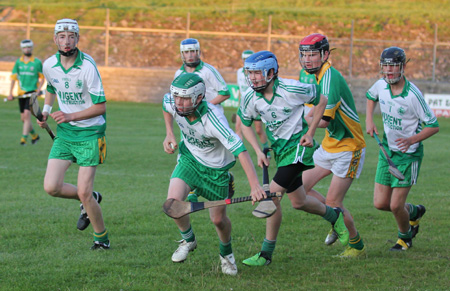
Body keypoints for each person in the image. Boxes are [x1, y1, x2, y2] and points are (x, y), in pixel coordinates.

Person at [238, 50, 349, 266]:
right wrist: (259, 151)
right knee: (299, 202)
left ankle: (265, 254)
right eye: (249, 73)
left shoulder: (292, 88)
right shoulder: (251, 98)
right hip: (280, 152)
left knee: (272, 198)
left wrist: (311, 132)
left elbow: (322, 99)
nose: (252, 78)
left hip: (299, 148)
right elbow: (245, 124)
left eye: (257, 73)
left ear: (271, 72)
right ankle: (334, 216)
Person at [162, 73, 266, 275]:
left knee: (218, 220)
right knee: (173, 203)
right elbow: (166, 106)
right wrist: (169, 132)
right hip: (189, 160)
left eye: (185, 99)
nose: (179, 103)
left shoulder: (213, 119)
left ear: (199, 97)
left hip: (216, 171)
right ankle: (189, 239)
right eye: (177, 97)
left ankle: (226, 255)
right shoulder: (173, 102)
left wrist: (255, 186)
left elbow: (241, 150)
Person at [37, 19, 109, 250]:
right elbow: (51, 87)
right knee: (52, 187)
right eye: (62, 36)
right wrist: (46, 112)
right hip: (65, 135)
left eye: (71, 36)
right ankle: (91, 199)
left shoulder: (88, 66)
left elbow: (101, 107)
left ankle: (102, 239)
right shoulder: (49, 64)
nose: (66, 41)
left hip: (90, 133)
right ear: (55, 39)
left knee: (83, 192)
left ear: (77, 39)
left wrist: (70, 116)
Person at [298, 33, 367, 258]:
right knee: (299, 189)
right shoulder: (313, 76)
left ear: (325, 54)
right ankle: (334, 218)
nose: (307, 60)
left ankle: (356, 244)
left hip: (349, 146)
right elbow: (310, 110)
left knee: (334, 201)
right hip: (330, 145)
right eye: (304, 55)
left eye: (313, 54)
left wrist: (304, 118)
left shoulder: (329, 78)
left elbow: (323, 120)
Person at [366, 46, 439, 251]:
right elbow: (371, 98)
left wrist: (410, 139)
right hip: (387, 151)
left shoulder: (413, 95)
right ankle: (414, 212)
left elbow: (434, 126)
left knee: (395, 205)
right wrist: (370, 120)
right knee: (381, 203)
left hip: (409, 155)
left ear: (403, 67)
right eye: (385, 67)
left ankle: (405, 238)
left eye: (393, 67)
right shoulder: (381, 85)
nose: (389, 72)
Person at [174, 38, 233, 203]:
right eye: (186, 52)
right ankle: (192, 190)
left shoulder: (208, 71)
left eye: (193, 51)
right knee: (187, 154)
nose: (190, 55)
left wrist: (201, 106)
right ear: (181, 54)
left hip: (210, 123)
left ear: (198, 51)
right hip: (188, 122)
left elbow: (225, 92)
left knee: (213, 158)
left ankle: (225, 178)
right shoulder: (179, 74)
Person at [8, 39, 45, 145]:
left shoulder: (37, 62)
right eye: (25, 47)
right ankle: (34, 135)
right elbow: (13, 78)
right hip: (21, 93)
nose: (27, 49)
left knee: (27, 115)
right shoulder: (18, 62)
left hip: (32, 93)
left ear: (32, 48)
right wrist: (10, 93)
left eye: (29, 47)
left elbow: (42, 77)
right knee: (23, 118)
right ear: (22, 49)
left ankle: (23, 139)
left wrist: (38, 89)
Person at [234, 50, 269, 151]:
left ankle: (265, 148)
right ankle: (239, 150)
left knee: (258, 129)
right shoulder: (239, 72)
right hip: (242, 104)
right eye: (244, 60)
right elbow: (240, 90)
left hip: (255, 103)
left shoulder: (258, 73)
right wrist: (238, 104)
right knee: (238, 127)